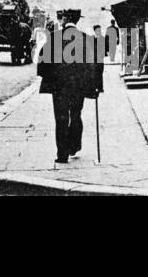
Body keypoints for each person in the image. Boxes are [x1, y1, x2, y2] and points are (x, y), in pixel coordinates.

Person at [37, 9, 103, 163]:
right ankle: (74, 145)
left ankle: (62, 154)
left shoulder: (54, 38)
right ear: (77, 21)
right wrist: (97, 86)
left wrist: (49, 79)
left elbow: (42, 64)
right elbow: (97, 64)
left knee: (61, 118)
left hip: (59, 87)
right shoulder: (87, 39)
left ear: (65, 20)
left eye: (63, 18)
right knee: (76, 114)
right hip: (79, 87)